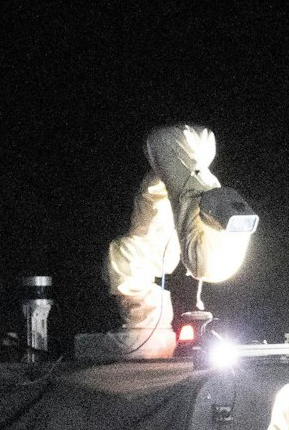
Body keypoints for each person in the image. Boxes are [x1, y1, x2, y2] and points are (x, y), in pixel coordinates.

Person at [104, 124, 258, 359]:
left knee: (131, 254)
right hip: (170, 250)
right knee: (129, 252)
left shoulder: (191, 184)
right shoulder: (163, 187)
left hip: (202, 246)